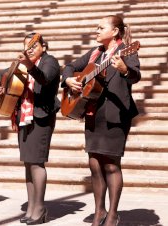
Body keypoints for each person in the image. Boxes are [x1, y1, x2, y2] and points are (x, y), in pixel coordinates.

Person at [61, 15, 140, 226]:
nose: (96, 31)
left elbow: (135, 75)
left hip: (115, 115)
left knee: (111, 165)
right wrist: (69, 79)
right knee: (94, 165)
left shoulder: (127, 50)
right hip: (93, 113)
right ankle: (99, 211)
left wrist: (125, 70)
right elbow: (69, 66)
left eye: (100, 27)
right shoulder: (96, 53)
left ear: (114, 32)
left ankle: (113, 214)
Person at [0, 33, 60, 225]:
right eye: (26, 47)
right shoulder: (23, 64)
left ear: (43, 47)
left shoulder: (50, 61)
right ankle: (31, 207)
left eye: (33, 46)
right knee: (28, 163)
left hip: (41, 117)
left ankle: (40, 208)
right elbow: (1, 74)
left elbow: (44, 79)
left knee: (37, 162)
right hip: (23, 116)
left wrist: (28, 64)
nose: (29, 50)